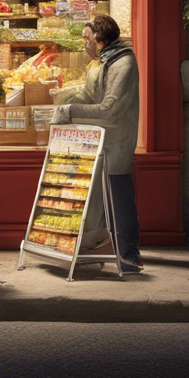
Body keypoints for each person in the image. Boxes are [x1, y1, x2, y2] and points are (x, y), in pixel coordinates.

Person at [51, 14, 142, 273]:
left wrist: (69, 110)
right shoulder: (99, 62)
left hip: (116, 141)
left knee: (119, 195)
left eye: (87, 38)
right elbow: (89, 95)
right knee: (94, 199)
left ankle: (129, 254)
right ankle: (95, 249)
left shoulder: (123, 62)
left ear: (100, 38)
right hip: (93, 140)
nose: (85, 44)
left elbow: (110, 108)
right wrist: (62, 97)